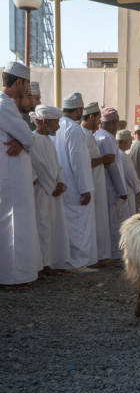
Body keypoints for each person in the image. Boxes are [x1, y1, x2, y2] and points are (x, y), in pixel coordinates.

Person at [0, 61, 42, 288]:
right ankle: (14, 277)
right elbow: (28, 136)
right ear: (18, 82)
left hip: (11, 175)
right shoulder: (4, 105)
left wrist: (20, 140)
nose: (27, 90)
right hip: (11, 176)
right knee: (13, 225)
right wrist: (21, 140)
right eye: (26, 85)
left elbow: (25, 138)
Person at [55, 93, 98, 271]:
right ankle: (78, 262)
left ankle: (67, 260)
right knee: (79, 225)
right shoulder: (74, 129)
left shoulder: (57, 126)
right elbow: (79, 161)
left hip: (64, 183)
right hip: (75, 186)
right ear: (79, 110)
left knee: (68, 223)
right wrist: (85, 188)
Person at [29, 105, 70, 273]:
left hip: (53, 192)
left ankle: (51, 262)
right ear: (45, 121)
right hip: (40, 192)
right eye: (56, 122)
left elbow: (56, 166)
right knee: (41, 226)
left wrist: (60, 182)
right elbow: (33, 168)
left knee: (53, 226)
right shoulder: (32, 140)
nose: (58, 126)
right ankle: (41, 265)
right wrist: (49, 186)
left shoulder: (49, 141)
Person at [95, 107, 128, 262]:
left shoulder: (98, 135)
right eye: (115, 123)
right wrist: (122, 190)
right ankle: (113, 254)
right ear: (111, 123)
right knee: (113, 222)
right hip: (111, 187)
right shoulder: (107, 138)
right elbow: (113, 166)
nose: (116, 127)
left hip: (103, 185)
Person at [82, 102, 113, 264]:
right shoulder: (84, 135)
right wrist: (104, 159)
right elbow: (85, 162)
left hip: (97, 184)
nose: (99, 123)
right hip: (91, 184)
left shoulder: (89, 135)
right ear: (91, 117)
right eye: (98, 119)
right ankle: (99, 257)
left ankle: (101, 256)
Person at [116, 129, 140, 218]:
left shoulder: (115, 153)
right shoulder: (123, 156)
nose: (131, 143)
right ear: (125, 141)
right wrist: (138, 188)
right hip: (126, 193)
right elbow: (131, 176)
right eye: (130, 141)